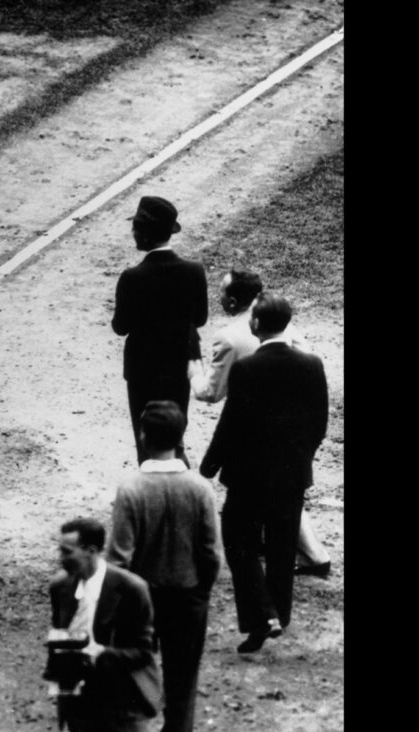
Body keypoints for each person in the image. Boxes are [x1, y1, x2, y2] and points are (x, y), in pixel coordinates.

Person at [200, 293, 329, 653]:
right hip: (291, 473)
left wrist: (211, 463)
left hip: (248, 474)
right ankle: (279, 615)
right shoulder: (312, 365)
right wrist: (301, 458)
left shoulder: (247, 369)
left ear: (255, 323)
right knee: (282, 545)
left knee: (239, 542)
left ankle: (262, 615)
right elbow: (319, 424)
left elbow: (232, 423)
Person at [190, 269, 331, 578]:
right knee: (285, 493)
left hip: (256, 430)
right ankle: (308, 556)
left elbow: (212, 393)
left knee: (248, 509)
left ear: (233, 300)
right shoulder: (284, 325)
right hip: (295, 427)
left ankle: (304, 558)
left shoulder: (229, 337)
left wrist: (193, 372)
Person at [106, 401, 219, 732]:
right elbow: (212, 551)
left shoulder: (132, 488)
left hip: (141, 599)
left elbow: (119, 557)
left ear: (143, 437)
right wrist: (202, 590)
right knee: (183, 678)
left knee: (135, 672)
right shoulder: (200, 487)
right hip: (187, 595)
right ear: (179, 437)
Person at [111, 196, 207, 465]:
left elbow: (120, 327)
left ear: (142, 233)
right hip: (179, 366)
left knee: (147, 441)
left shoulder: (132, 277)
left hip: (143, 370)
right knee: (174, 435)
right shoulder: (194, 271)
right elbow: (199, 319)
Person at [46, 518, 160, 732]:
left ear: (91, 550)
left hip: (122, 702)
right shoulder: (60, 586)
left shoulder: (132, 589)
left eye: (67, 552)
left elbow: (143, 652)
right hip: (79, 703)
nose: (61, 559)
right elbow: (59, 639)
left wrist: (100, 654)